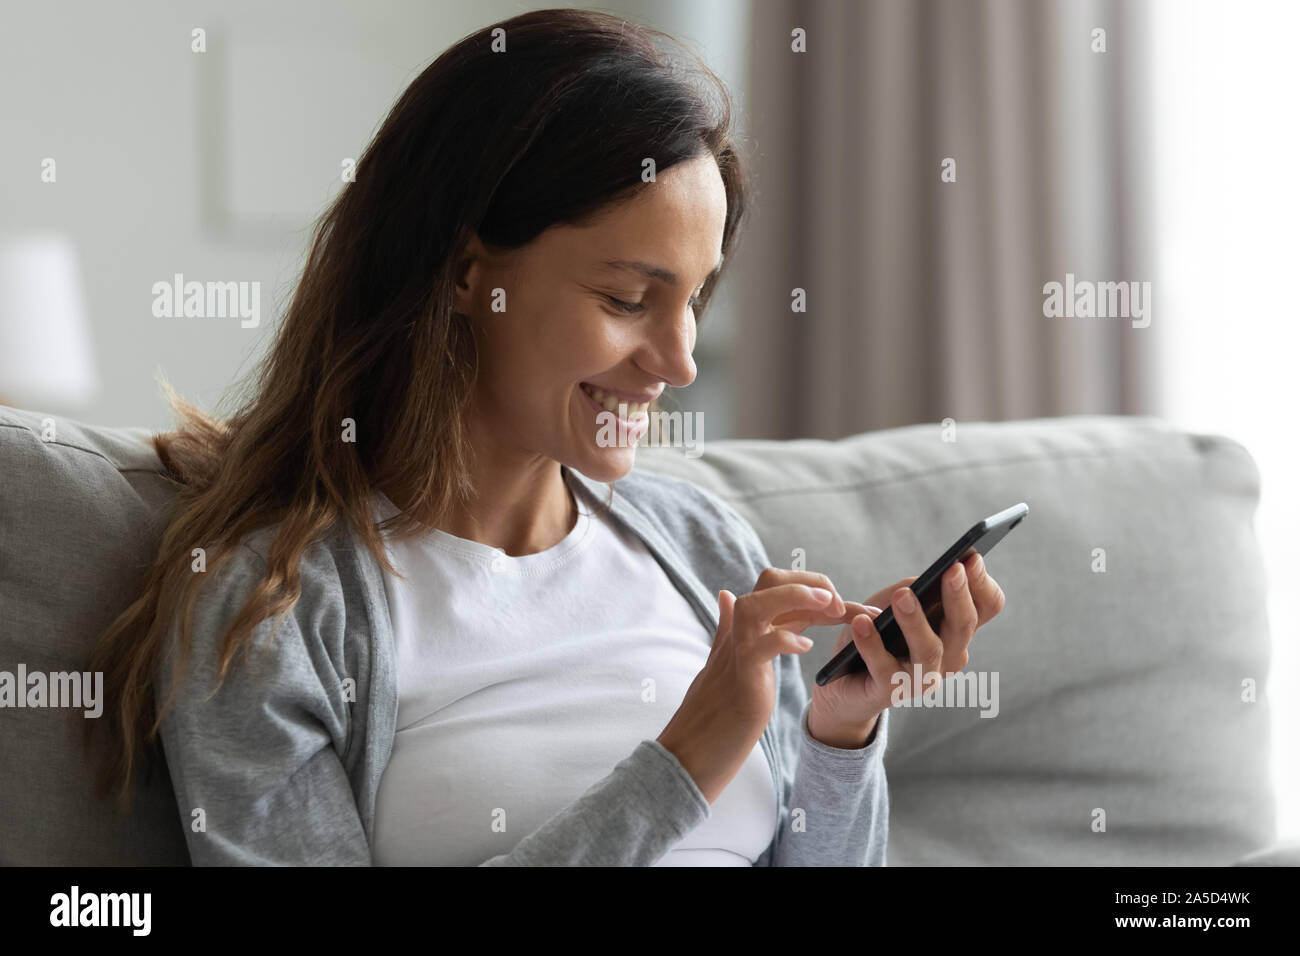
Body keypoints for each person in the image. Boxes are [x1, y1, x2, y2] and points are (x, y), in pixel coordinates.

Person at [84, 8, 1005, 866]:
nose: (679, 362)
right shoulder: (275, 608)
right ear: (463, 272)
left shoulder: (698, 543)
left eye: (694, 300)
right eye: (626, 300)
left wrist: (841, 733)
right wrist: (681, 765)